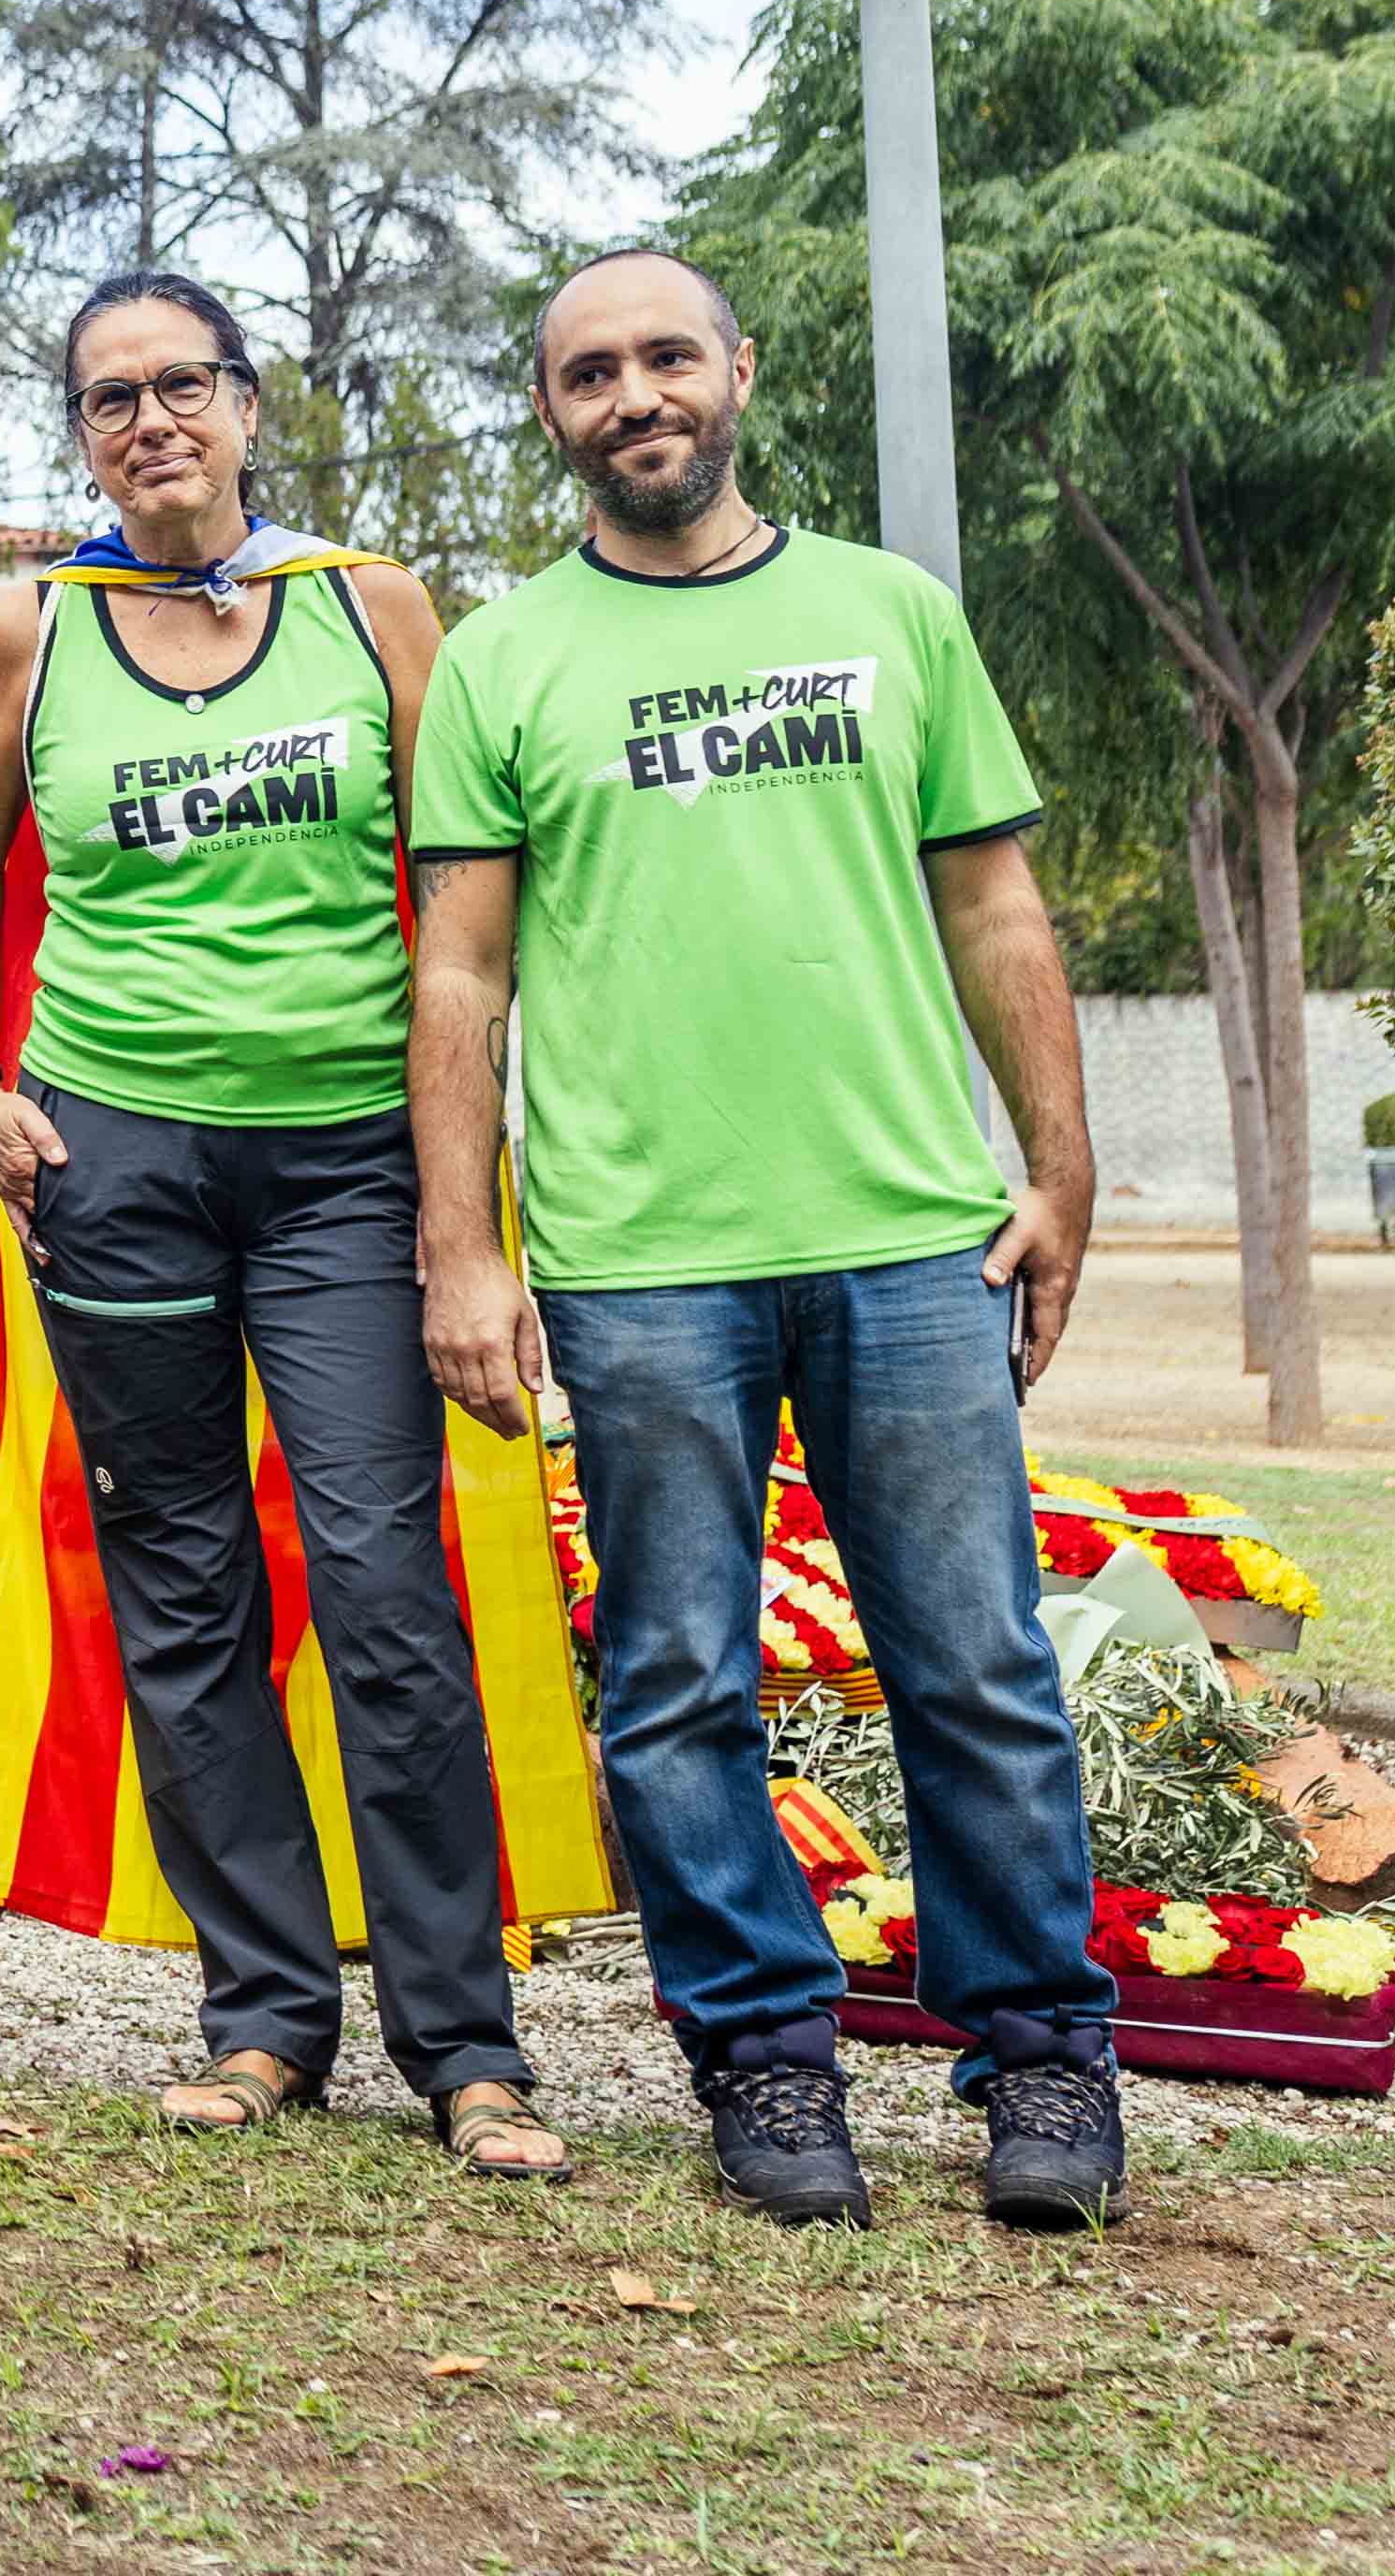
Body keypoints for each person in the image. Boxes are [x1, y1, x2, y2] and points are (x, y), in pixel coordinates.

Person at [414, 248, 1120, 2232]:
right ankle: (767, 2055)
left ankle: (1044, 2059)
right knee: (673, 1683)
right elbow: (458, 981)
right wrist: (464, 1250)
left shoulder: (891, 611)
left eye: (664, 355)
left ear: (738, 370)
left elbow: (999, 911)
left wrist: (1058, 1172)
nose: (633, 393)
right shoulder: (503, 657)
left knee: (974, 1661)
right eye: (587, 371)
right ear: (549, 412)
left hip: (909, 1235)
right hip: (639, 1258)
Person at [0, 274, 557, 2178]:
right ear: (83, 436)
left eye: (181, 383)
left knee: (385, 1591)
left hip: (348, 1157)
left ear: (249, 404)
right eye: (109, 398)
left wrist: (473, 1187)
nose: (150, 421)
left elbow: (465, 894)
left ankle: (467, 2043)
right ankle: (266, 2011)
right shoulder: (32, 632)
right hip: (112, 1160)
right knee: (183, 1587)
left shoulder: (370, 609)